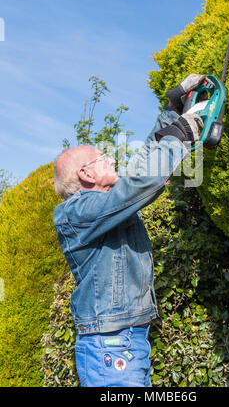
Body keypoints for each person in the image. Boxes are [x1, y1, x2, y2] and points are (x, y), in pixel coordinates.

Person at [53, 74, 206, 387]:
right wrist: (178, 137)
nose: (111, 158)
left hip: (129, 341)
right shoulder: (75, 212)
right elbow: (143, 183)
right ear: (84, 173)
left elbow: (143, 166)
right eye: (101, 157)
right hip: (109, 346)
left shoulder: (107, 201)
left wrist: (172, 111)